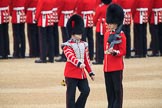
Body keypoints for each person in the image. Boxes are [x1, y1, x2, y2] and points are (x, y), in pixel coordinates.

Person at [62, 14, 95, 108]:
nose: (80, 35)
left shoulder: (84, 44)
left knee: (86, 90)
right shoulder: (67, 45)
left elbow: (86, 59)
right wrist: (78, 63)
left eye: (81, 33)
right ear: (72, 33)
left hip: (81, 73)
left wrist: (90, 72)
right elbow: (70, 56)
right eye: (78, 33)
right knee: (70, 97)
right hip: (71, 73)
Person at [104, 3, 126, 108]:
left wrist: (114, 52)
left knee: (117, 90)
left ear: (117, 23)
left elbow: (123, 51)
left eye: (111, 23)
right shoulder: (107, 34)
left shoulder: (121, 35)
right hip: (107, 68)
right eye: (108, 23)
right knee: (109, 91)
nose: (109, 25)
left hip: (117, 67)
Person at [93, 0, 112, 65]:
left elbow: (95, 18)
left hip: (101, 27)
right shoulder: (112, 7)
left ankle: (99, 59)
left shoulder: (100, 7)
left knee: (99, 43)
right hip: (109, 26)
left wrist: (95, 23)